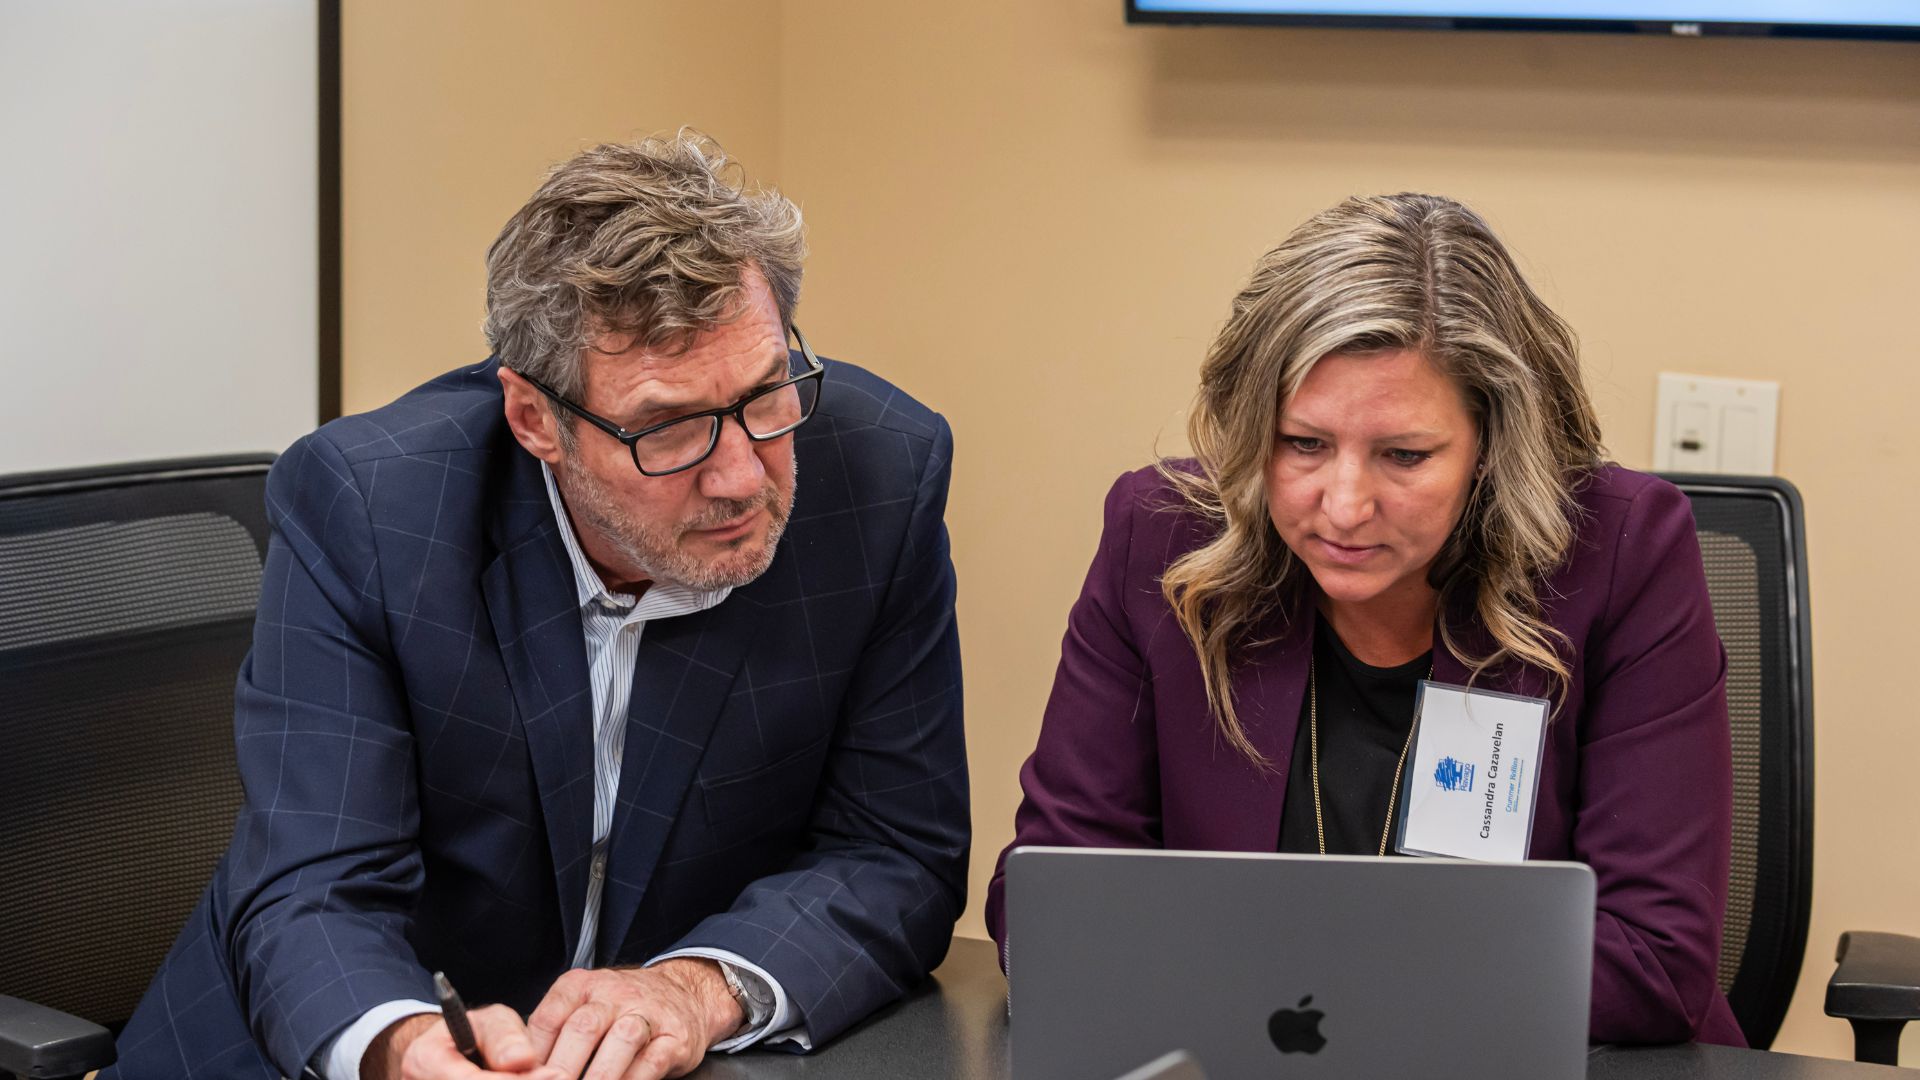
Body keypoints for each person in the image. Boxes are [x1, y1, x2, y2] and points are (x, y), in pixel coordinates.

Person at [107, 134, 969, 1080]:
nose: (739, 476)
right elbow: (315, 885)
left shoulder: (878, 480)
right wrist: (401, 1049)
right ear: (533, 420)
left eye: (765, 398)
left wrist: (692, 988)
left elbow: (893, 851)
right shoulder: (372, 508)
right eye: (667, 428)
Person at [985, 193, 1742, 1046]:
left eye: (1405, 455)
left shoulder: (1620, 551)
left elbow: (1652, 964)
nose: (1343, 507)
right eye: (1302, 443)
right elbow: (1051, 906)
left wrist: (1263, 973)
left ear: (1491, 445)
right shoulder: (1160, 536)